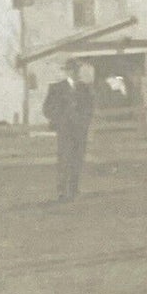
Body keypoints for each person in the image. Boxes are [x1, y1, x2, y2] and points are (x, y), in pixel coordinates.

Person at [43, 59, 96, 201]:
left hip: (79, 131)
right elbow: (47, 109)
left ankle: (74, 189)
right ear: (67, 71)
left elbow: (90, 109)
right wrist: (60, 120)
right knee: (64, 159)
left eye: (76, 70)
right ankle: (61, 190)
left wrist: (84, 122)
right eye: (71, 70)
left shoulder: (84, 89)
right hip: (65, 131)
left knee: (77, 159)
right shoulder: (56, 88)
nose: (75, 72)